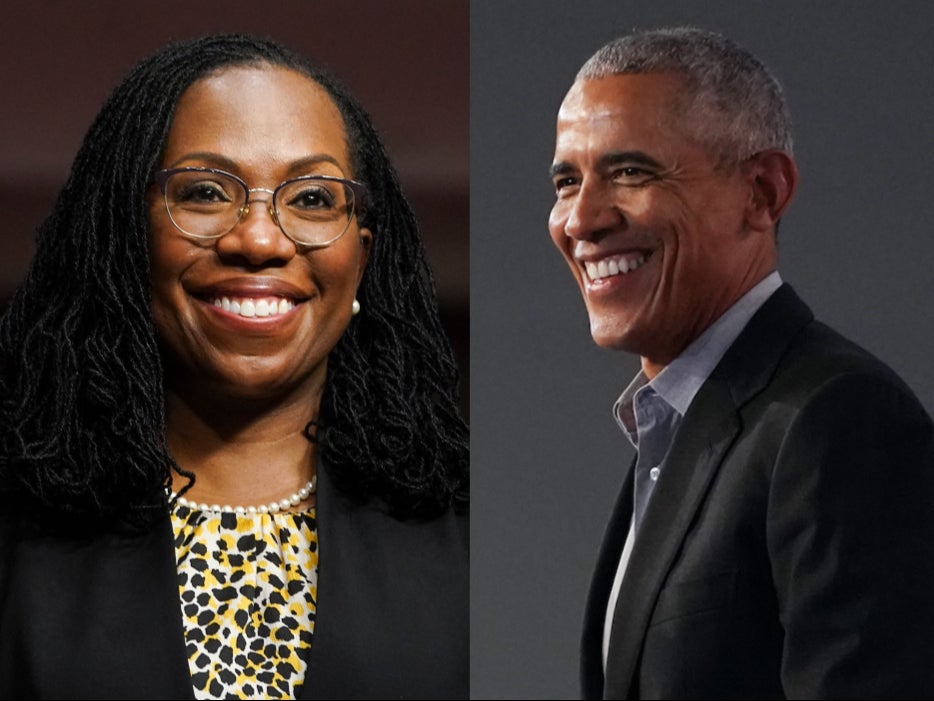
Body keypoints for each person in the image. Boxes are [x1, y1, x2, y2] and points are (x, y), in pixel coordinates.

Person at [0, 34, 468, 700]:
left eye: (310, 199)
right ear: (123, 236)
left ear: (360, 257)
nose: (258, 239)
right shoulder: (17, 523)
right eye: (205, 192)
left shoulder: (474, 528)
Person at [547, 26, 934, 699]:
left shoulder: (837, 419)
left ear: (762, 192)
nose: (581, 218)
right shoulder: (678, 426)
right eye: (566, 181)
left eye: (631, 171)